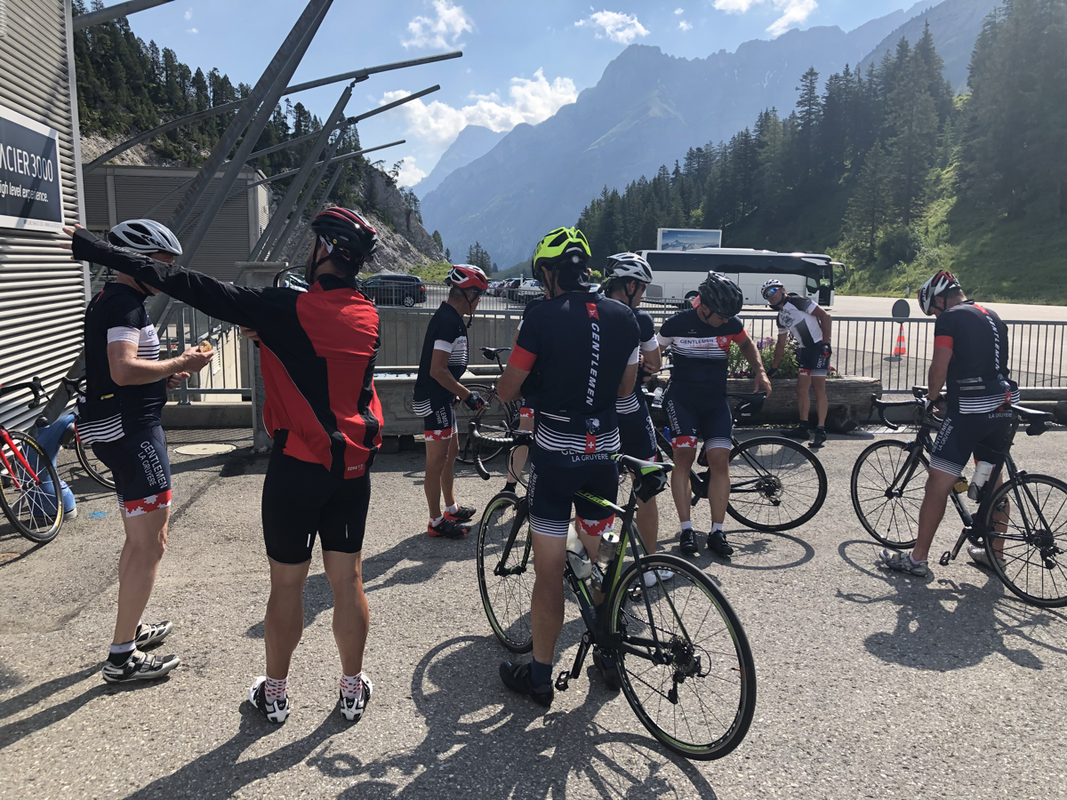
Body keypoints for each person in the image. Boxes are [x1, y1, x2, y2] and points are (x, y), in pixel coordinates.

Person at [66, 207, 384, 725]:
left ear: (324, 249)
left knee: (288, 585)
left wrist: (93, 247)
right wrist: (273, 337)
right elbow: (328, 364)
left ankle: (275, 696)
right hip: (352, 468)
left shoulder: (285, 308)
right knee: (348, 581)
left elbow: (191, 286)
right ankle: (352, 689)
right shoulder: (368, 315)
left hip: (297, 467)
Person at [494, 227, 640, 707]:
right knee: (597, 559)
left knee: (550, 571)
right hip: (605, 454)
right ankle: (609, 650)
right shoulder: (625, 316)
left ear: (548, 273)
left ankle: (539, 677)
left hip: (557, 456)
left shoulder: (539, 315)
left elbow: (509, 388)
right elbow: (625, 389)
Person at [79, 219, 214, 685]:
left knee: (137, 541)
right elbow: (122, 370)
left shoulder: (113, 299)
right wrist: (184, 361)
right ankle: (122, 657)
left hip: (120, 427)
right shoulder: (125, 304)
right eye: (161, 264)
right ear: (136, 261)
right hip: (132, 433)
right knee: (151, 543)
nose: (166, 274)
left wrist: (164, 377)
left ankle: (130, 628)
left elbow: (121, 371)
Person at [880, 271, 1019, 577]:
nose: (935, 317)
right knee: (994, 483)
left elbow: (939, 365)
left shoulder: (950, 319)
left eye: (933, 311)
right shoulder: (992, 315)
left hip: (970, 410)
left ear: (940, 300)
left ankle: (917, 558)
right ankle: (995, 555)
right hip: (1003, 405)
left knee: (938, 482)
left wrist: (932, 398)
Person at [657, 272, 771, 558]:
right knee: (684, 458)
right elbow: (653, 351)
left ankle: (717, 531)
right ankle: (686, 528)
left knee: (720, 460)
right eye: (721, 316)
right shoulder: (677, 323)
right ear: (704, 307)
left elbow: (746, 344)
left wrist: (760, 371)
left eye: (729, 317)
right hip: (682, 399)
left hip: (714, 401)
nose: (725, 321)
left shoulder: (730, 322)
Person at [601, 252, 670, 586]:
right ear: (629, 286)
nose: (643, 294)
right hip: (629, 412)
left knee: (600, 494)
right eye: (642, 287)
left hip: (597, 415)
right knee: (646, 489)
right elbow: (654, 362)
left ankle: (598, 567)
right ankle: (650, 566)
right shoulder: (638, 318)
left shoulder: (592, 310)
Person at [413, 264, 488, 538]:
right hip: (434, 400)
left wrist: (456, 393)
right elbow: (437, 370)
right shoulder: (447, 322)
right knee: (436, 461)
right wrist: (467, 394)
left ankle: (450, 507)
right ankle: (435, 521)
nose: (479, 302)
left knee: (452, 451)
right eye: (479, 296)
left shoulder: (452, 317)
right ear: (469, 294)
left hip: (444, 397)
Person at [761, 278, 833, 448]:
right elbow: (780, 344)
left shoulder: (798, 301)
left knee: (818, 389)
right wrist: (774, 367)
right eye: (767, 295)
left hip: (818, 348)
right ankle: (803, 427)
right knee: (801, 389)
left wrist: (826, 343)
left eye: (773, 291)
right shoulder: (781, 317)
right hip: (805, 351)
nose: (771, 296)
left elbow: (825, 316)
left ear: (782, 289)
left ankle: (821, 430)